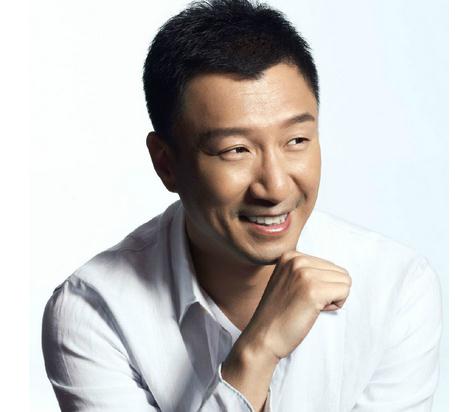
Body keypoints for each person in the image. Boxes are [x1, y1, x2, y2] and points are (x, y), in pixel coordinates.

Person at [41, 1, 442, 411]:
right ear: (166, 164)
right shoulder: (94, 311)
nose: (275, 186)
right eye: (236, 149)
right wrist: (259, 350)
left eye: (296, 141)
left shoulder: (394, 288)